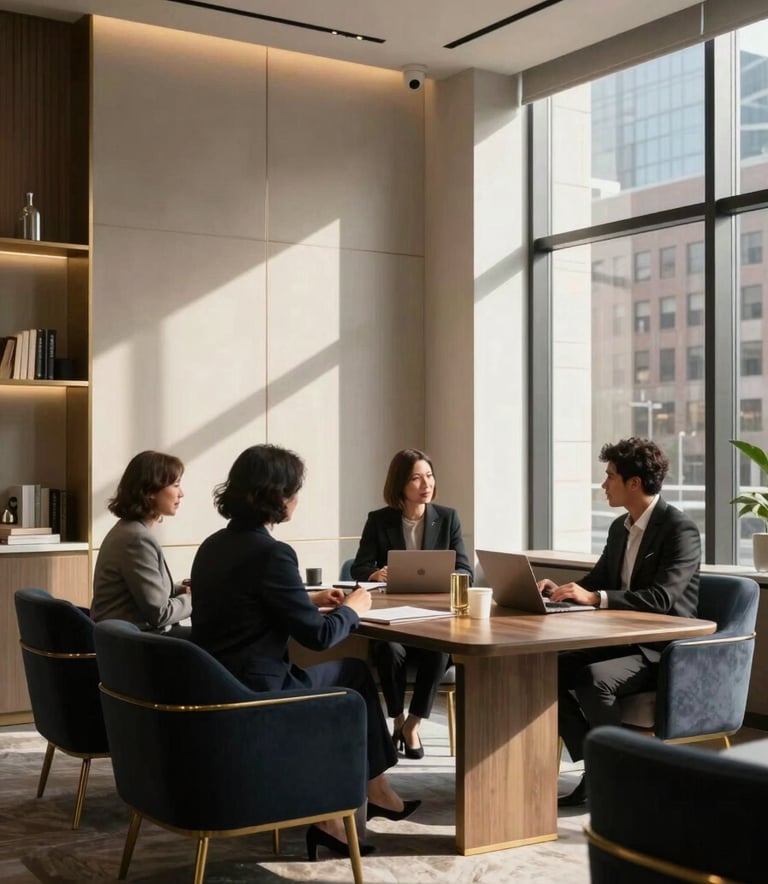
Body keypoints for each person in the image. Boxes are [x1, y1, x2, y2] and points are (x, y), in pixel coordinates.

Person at [190, 444, 420, 861]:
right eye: (295, 489)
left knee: (346, 674)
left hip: (216, 683)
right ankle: (369, 794)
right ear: (277, 495)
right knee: (352, 673)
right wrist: (352, 608)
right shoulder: (273, 553)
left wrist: (307, 598)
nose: (297, 498)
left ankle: (342, 813)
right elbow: (318, 638)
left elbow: (244, 604)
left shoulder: (213, 546)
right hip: (257, 695)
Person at [538, 437, 701, 807]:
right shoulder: (619, 527)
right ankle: (600, 767)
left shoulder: (679, 530)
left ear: (634, 483)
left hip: (663, 650)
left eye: (610, 476)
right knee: (545, 669)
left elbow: (662, 599)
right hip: (620, 642)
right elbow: (598, 580)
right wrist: (558, 590)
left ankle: (614, 776)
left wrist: (595, 599)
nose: (603, 484)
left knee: (594, 680)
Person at [351, 448, 473, 759]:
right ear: (400, 484)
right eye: (416, 478)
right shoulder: (379, 521)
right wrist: (376, 572)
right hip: (392, 619)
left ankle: (413, 724)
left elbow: (465, 570)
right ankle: (398, 718)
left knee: (440, 647)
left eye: (429, 476)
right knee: (387, 649)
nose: (426, 484)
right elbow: (359, 568)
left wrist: (448, 576)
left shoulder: (448, 518)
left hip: (435, 618)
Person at [91, 450, 192, 636]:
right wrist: (195, 598)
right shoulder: (137, 539)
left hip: (126, 639)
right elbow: (160, 613)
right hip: (139, 643)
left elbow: (143, 592)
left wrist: (182, 589)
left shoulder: (127, 530)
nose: (181, 493)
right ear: (151, 491)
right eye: (176, 485)